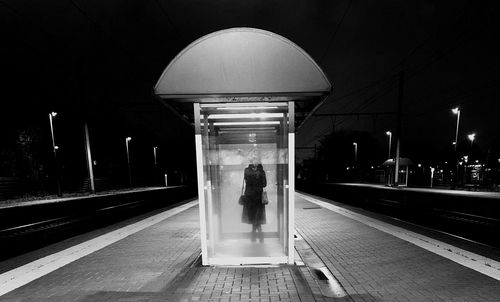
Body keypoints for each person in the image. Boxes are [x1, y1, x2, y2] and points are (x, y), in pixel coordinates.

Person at [242, 162, 267, 242]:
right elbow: (247, 182)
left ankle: (255, 234)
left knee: (257, 216)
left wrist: (260, 172)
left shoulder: (261, 171)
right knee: (253, 216)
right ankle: (259, 234)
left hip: (259, 197)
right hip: (250, 197)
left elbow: (264, 184)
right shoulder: (247, 170)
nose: (254, 162)